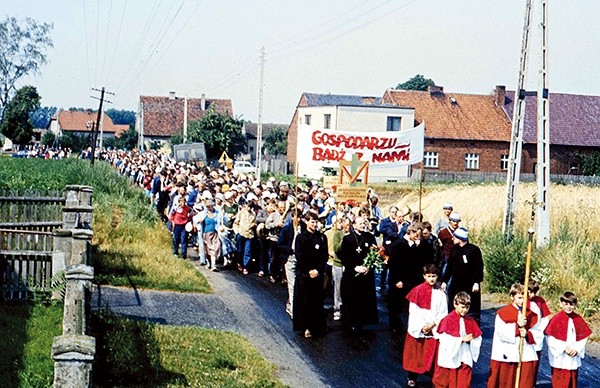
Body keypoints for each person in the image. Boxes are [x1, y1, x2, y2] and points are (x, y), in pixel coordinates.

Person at [487, 283, 540, 388]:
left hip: (525, 354)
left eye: (524, 298)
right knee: (506, 382)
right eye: (519, 298)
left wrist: (527, 334)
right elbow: (501, 332)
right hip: (508, 354)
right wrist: (517, 327)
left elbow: (537, 331)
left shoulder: (531, 314)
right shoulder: (502, 313)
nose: (522, 301)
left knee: (524, 382)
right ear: (512, 297)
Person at [403, 264, 448, 387]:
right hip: (419, 328)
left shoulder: (441, 294)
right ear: (424, 276)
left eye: (434, 276)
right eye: (429, 276)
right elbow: (413, 313)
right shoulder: (417, 291)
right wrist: (422, 327)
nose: (432, 279)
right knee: (415, 355)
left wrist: (433, 325)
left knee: (432, 354)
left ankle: (434, 378)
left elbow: (443, 313)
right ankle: (412, 377)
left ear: (437, 276)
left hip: (433, 328)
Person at [433, 291, 482, 388]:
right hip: (450, 357)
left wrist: (472, 340)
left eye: (467, 307)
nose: (465, 310)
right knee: (445, 382)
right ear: (455, 304)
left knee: (463, 383)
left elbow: (477, 338)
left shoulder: (470, 321)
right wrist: (461, 340)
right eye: (462, 307)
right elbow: (444, 339)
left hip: (464, 355)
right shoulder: (447, 320)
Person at [545, 291, 592, 388]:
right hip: (560, 359)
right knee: (559, 382)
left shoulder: (578, 319)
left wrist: (576, 349)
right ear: (561, 303)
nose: (569, 307)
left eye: (571, 304)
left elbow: (583, 337)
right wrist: (564, 348)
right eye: (566, 304)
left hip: (572, 357)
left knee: (572, 381)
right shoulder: (556, 319)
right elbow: (550, 338)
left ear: (575, 305)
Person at [293, 211, 329, 338]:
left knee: (316, 302)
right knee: (305, 302)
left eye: (316, 222)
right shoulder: (301, 238)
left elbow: (324, 256)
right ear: (306, 222)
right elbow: (300, 256)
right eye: (312, 222)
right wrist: (309, 271)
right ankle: (306, 327)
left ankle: (317, 326)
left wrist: (318, 270)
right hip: (304, 274)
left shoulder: (322, 237)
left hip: (317, 274)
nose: (314, 224)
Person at [340, 216, 379, 331]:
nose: (362, 225)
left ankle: (362, 322)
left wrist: (368, 267)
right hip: (352, 274)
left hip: (366, 274)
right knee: (352, 298)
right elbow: (344, 257)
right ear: (354, 225)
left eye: (364, 223)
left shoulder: (369, 237)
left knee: (364, 298)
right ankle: (350, 321)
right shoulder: (348, 239)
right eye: (360, 223)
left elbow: (375, 253)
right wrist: (354, 267)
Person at [386, 222, 424, 332]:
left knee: (406, 304)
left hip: (410, 280)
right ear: (410, 232)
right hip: (398, 279)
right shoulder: (398, 244)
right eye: (416, 235)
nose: (418, 237)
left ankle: (405, 324)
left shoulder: (415, 245)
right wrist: (396, 280)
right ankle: (395, 325)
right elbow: (392, 264)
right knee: (396, 304)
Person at [441, 227, 484, 323]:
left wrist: (477, 282)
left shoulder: (474, 250)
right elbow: (450, 267)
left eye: (455, 237)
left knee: (471, 307)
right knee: (454, 304)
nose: (453, 239)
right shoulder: (454, 250)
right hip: (456, 283)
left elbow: (479, 267)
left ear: (460, 238)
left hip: (470, 284)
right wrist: (444, 281)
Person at [527, 279, 552, 382]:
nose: (532, 295)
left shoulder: (540, 301)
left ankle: (532, 382)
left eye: (534, 292)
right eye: (529, 292)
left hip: (537, 333)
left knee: (535, 359)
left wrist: (540, 330)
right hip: (525, 333)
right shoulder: (522, 300)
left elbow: (545, 318)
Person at [197, 199, 223, 271]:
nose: (210, 208)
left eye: (211, 206)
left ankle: (213, 265)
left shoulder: (217, 213)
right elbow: (197, 221)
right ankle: (209, 263)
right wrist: (200, 221)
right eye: (208, 206)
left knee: (215, 248)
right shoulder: (203, 214)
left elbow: (221, 222)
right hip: (206, 234)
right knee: (207, 250)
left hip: (215, 233)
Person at [233, 197, 256, 275]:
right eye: (248, 206)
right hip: (241, 232)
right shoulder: (241, 212)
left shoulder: (253, 214)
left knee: (248, 251)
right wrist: (237, 232)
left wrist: (254, 225)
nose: (249, 208)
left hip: (249, 234)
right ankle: (239, 262)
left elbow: (254, 222)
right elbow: (236, 223)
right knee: (240, 250)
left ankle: (246, 266)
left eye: (250, 207)